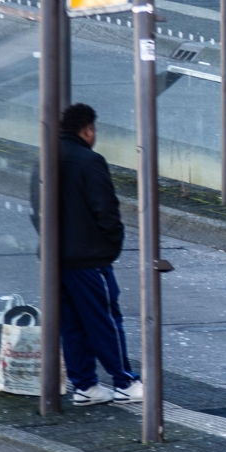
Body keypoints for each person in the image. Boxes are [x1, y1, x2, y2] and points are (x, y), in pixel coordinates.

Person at [31, 104, 141, 407]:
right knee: (105, 320)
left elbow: (35, 210)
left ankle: (85, 386)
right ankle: (125, 381)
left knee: (72, 325)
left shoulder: (45, 159)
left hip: (57, 259)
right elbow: (106, 210)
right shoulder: (90, 161)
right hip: (89, 259)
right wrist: (110, 246)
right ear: (87, 129)